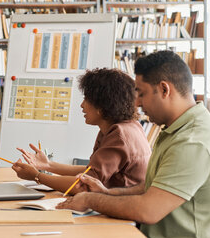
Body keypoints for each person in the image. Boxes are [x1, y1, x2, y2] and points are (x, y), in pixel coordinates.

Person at [58, 51, 210, 238]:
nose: (137, 103)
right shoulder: (176, 128)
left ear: (164, 89)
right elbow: (151, 187)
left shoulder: (193, 141)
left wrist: (89, 200)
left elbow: (148, 210)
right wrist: (106, 193)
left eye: (141, 94)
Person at [12, 68, 151, 193]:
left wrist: (37, 176)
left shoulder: (119, 135)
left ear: (103, 104)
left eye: (87, 99)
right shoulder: (126, 127)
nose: (82, 105)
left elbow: (82, 186)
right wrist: (47, 165)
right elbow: (90, 172)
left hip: (122, 215)